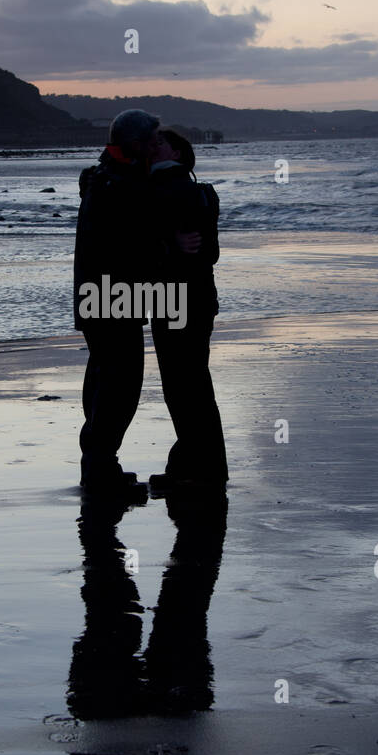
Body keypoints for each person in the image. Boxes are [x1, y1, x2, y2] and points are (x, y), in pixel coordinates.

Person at [74, 108, 159, 494]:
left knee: (104, 381)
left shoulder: (99, 178)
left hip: (99, 297)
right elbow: (132, 241)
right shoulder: (117, 183)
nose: (156, 145)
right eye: (151, 140)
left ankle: (98, 465)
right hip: (114, 299)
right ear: (134, 143)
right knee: (119, 385)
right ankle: (100, 468)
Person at [147, 128, 228, 492]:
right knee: (190, 383)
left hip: (177, 298)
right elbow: (209, 252)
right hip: (194, 297)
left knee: (184, 385)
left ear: (178, 153)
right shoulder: (195, 190)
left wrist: (166, 242)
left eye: (161, 142)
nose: (153, 146)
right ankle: (196, 465)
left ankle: (197, 467)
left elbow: (200, 250)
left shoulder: (168, 187)